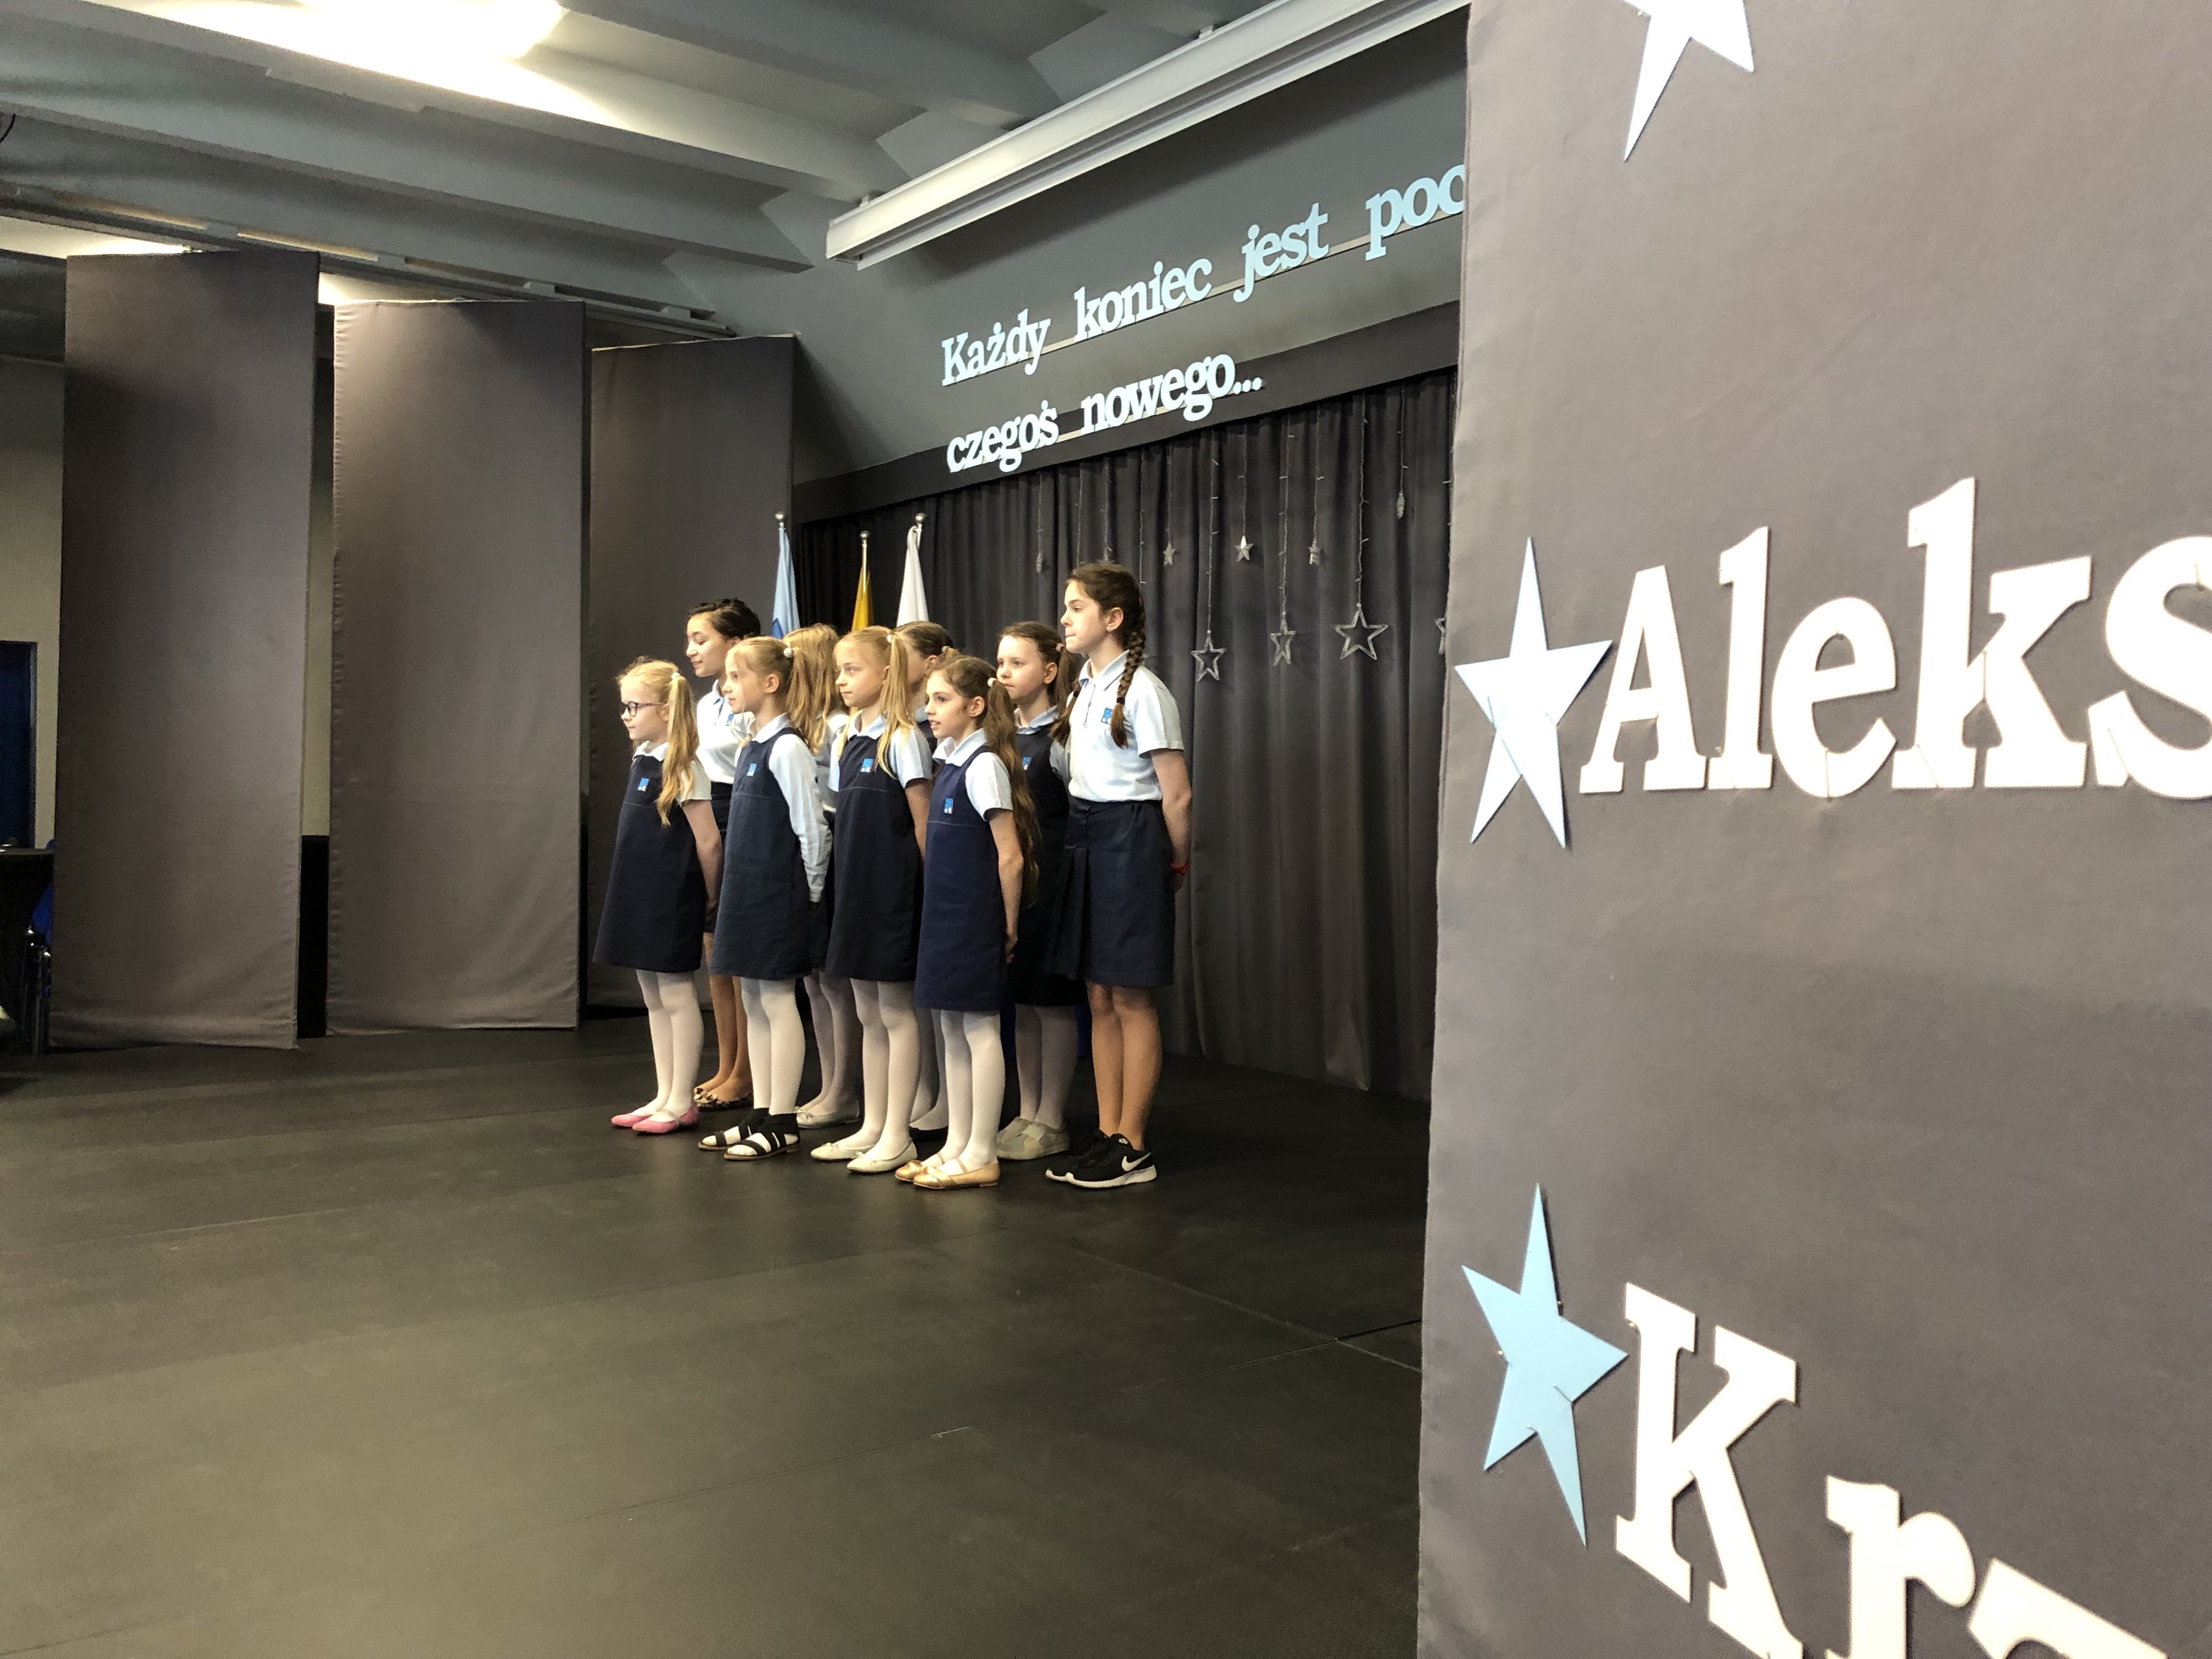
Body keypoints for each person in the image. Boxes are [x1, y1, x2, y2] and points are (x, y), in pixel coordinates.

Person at [1047, 562, 1191, 1189]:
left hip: (1130, 836)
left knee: (1130, 996)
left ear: (1113, 618)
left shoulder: (1146, 693)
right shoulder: (1082, 688)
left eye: (1076, 607)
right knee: (1098, 994)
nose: (1064, 618)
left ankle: (1134, 1146)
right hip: (1085, 832)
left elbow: (1177, 794)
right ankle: (1108, 1135)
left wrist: (1173, 861)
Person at [901, 654, 1036, 1191]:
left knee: (979, 1030)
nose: (930, 710)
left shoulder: (984, 766)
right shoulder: (950, 763)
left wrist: (1008, 924)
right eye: (929, 699)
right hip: (944, 917)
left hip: (974, 918)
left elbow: (1011, 856)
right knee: (950, 1029)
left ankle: (982, 1149)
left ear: (976, 706)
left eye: (942, 700)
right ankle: (957, 1143)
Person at [810, 627, 933, 1175]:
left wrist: (930, 890)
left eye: (852, 670)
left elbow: (923, 825)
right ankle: (873, 1124)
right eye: (838, 671)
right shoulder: (845, 738)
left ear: (886, 674)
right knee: (866, 1009)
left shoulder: (904, 738)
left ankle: (898, 1133)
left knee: (896, 1011)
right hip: (854, 887)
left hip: (893, 892)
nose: (841, 681)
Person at [704, 637, 830, 1161]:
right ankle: (761, 1110)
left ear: (771, 683)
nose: (726, 687)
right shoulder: (751, 745)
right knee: (754, 999)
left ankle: (783, 1118)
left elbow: (811, 826)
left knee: (777, 1000)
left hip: (779, 893)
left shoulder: (788, 747)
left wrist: (812, 891)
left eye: (737, 677)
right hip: (747, 892)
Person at [596, 659, 723, 1134]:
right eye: (624, 707)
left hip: (671, 895)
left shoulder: (683, 766)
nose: (626, 716)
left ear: (666, 709)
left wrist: (711, 895)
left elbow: (708, 841)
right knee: (652, 995)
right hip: (639, 891)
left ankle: (682, 1099)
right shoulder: (643, 759)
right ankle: (664, 1093)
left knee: (674, 993)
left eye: (634, 706)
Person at [994, 622, 1082, 1161]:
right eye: (1001, 663)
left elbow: (1079, 810)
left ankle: (1052, 1117)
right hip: (1016, 888)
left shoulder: (1061, 739)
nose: (1004, 673)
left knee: (1052, 1004)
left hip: (1053, 885)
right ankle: (1027, 1111)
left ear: (1049, 671)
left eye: (1017, 663)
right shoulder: (1002, 738)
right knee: (1022, 1002)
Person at [782, 622, 862, 1131]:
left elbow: (832, 801)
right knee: (813, 981)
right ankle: (829, 1083)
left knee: (834, 983)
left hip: (828, 846)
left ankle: (845, 1089)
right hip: (803, 849)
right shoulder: (802, 725)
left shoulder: (836, 726)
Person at [683, 599, 759, 1112]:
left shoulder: (749, 703)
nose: (691, 650)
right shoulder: (706, 703)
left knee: (740, 954)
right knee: (715, 949)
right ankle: (727, 1063)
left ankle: (748, 1072)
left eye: (701, 639)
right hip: (707, 812)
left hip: (739, 810)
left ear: (735, 643)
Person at [893, 619, 955, 1131]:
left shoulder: (930, 730)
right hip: (904, 864)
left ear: (932, 662)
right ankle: (925, 1087)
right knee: (917, 990)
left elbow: (926, 812)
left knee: (942, 995)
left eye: (902, 653)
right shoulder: (903, 723)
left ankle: (950, 1098)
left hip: (933, 864)